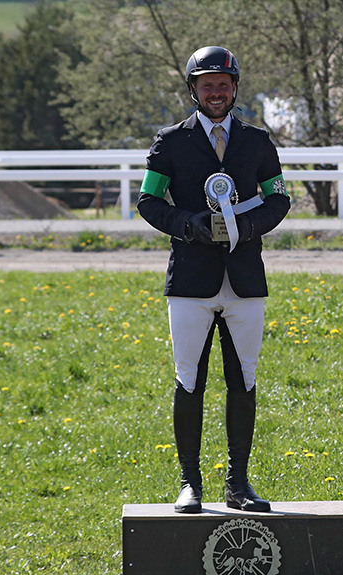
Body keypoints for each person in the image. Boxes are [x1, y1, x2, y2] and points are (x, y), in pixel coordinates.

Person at [137, 46, 290, 514]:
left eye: (223, 85)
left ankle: (239, 484)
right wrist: (189, 224)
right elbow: (148, 202)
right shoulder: (170, 142)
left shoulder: (258, 141)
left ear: (235, 88)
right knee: (189, 381)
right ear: (193, 90)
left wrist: (247, 227)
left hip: (245, 278)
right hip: (190, 280)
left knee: (243, 380)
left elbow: (278, 198)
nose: (216, 92)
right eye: (207, 85)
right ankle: (190, 483)